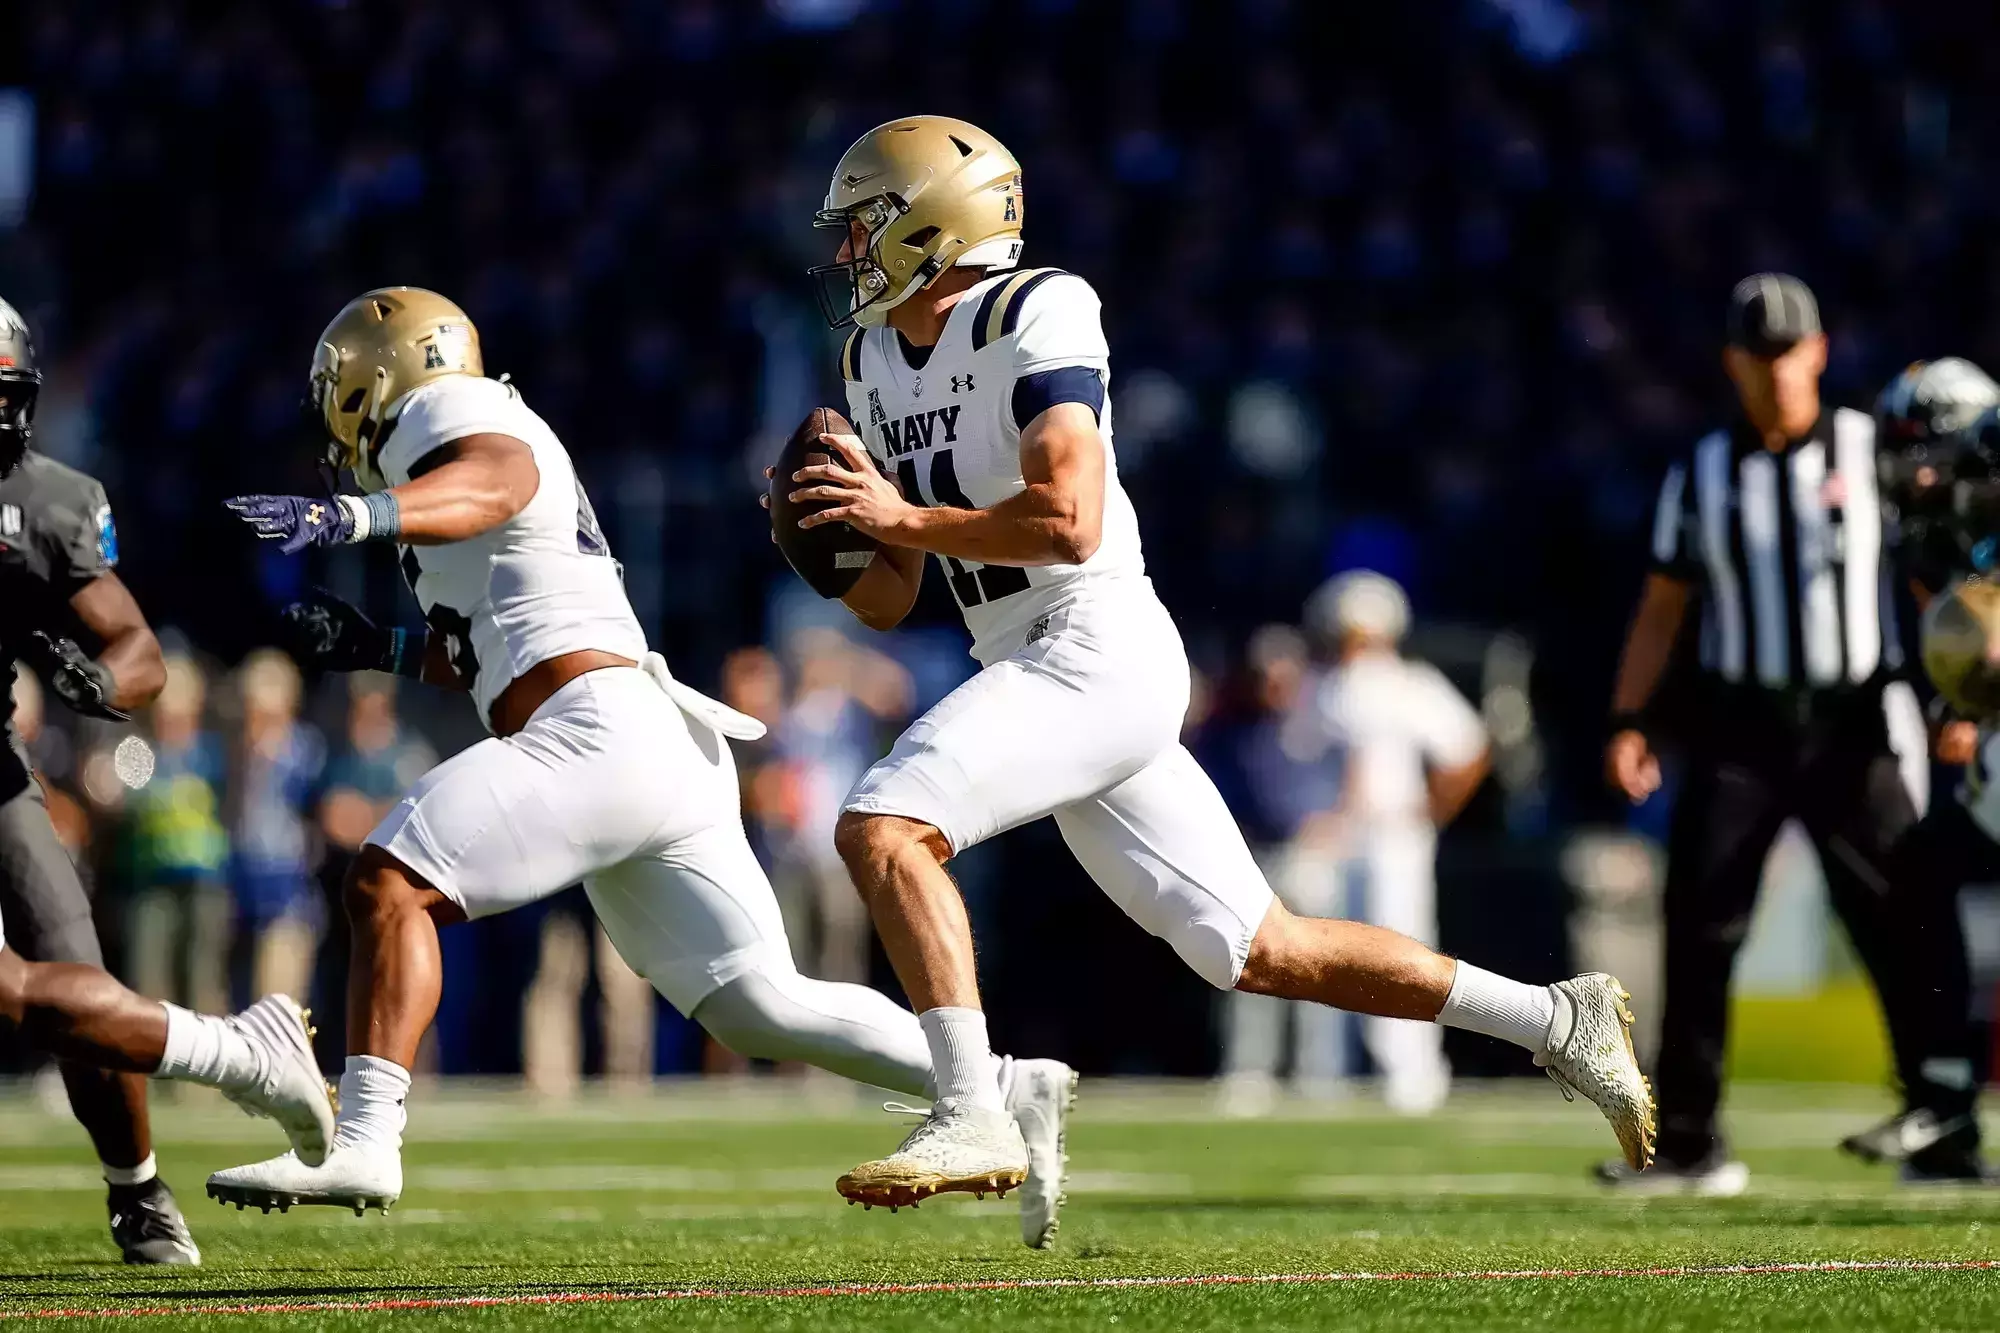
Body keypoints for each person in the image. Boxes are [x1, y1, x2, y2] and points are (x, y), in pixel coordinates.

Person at [779, 116, 1654, 1207]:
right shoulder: (870, 358)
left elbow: (1068, 517)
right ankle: (1550, 1016)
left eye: (865, 226)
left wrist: (898, 517)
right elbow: (892, 599)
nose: (849, 254)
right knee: (1250, 945)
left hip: (1095, 648)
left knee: (882, 826)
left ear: (927, 223)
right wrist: (834, 541)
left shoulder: (1033, 307)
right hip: (1026, 659)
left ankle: (971, 1109)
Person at [210, 288, 1076, 1250]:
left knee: (389, 881)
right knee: (760, 1003)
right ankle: (1002, 1084)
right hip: (644, 735)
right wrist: (384, 648)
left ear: (379, 374)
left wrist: (353, 516)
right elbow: (497, 645)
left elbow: (503, 478)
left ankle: (366, 1138)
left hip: (595, 731)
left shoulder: (449, 411)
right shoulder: (451, 440)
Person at [1603, 274, 1966, 1190]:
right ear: (1734, 362)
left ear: (1819, 351)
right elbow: (1661, 607)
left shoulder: (1871, 451)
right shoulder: (1702, 472)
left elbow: (1934, 590)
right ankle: (1688, 1140)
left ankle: (1945, 1122)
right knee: (1701, 921)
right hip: (1739, 725)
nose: (1775, 371)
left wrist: (1956, 699)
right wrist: (1630, 717)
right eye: (1757, 355)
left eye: (1788, 351)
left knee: (1906, 913)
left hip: (1856, 719)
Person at [0, 296, 333, 1260]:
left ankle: (139, 1183)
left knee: (68, 971)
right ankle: (238, 1058)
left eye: (8, 396)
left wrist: (97, 680)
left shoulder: (52, 502)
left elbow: (137, 646)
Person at [1286, 572, 1492, 1115]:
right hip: (1341, 836)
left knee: (1401, 945)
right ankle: (1328, 1072)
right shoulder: (1326, 686)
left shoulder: (1409, 684)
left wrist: (1428, 810)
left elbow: (1468, 751)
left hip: (1395, 838)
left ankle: (1413, 1072)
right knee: (1325, 947)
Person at [1203, 624, 1346, 1114]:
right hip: (1255, 855)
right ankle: (1250, 1070)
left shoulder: (1319, 724)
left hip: (1308, 853)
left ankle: (1319, 1071)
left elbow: (1348, 779)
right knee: (1252, 962)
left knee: (1323, 965)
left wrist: (1331, 825)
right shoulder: (1235, 729)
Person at [123, 654, 232, 1018]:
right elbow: (120, 800)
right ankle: (157, 1070)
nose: (171, 719)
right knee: (150, 978)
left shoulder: (213, 753)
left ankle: (206, 1072)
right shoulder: (140, 753)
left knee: (203, 978)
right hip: (151, 881)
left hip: (206, 882)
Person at [227, 650, 327, 1008]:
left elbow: (317, 816)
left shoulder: (304, 750)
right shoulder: (234, 750)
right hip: (240, 889)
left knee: (278, 1002)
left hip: (289, 893)